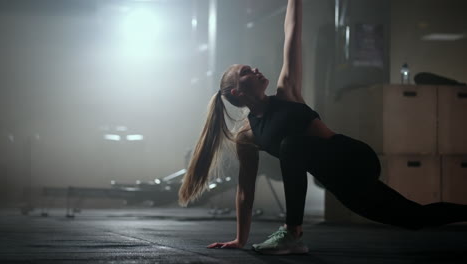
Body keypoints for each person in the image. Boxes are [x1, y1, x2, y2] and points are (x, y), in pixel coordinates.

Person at [178, 0, 467, 255]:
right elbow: (245, 191)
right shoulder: (247, 136)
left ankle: (292, 232)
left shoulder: (287, 89)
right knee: (413, 218)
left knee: (291, 145)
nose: (255, 70)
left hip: (353, 157)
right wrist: (240, 240)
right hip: (339, 180)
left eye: (251, 67)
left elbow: (292, 31)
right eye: (245, 72)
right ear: (236, 93)